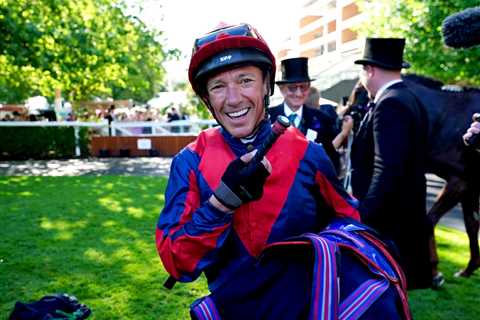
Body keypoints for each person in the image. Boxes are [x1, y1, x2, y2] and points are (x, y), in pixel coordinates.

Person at [155, 24, 408, 319]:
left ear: (266, 85)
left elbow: (349, 222)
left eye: (245, 80)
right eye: (218, 86)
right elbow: (177, 263)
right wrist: (219, 205)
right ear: (206, 99)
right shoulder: (189, 161)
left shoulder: (308, 153)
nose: (233, 98)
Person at [350, 37, 434, 289]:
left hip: (390, 226)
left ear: (370, 69)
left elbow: (386, 169)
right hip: (402, 220)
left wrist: (363, 217)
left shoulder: (391, 104)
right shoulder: (408, 97)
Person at [269, 57, 344, 173]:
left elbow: (331, 160)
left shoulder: (322, 119)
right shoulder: (268, 118)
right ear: (282, 90)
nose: (298, 93)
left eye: (303, 87)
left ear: (309, 88)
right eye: (292, 88)